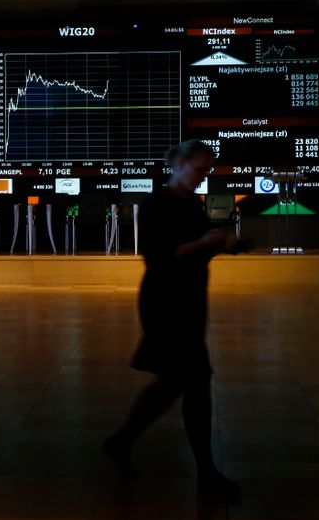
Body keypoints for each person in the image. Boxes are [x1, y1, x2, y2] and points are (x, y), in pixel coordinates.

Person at [103, 139, 242, 497]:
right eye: (199, 169)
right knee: (195, 381)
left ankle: (121, 440)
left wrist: (218, 244)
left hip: (188, 302)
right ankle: (206, 472)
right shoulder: (156, 204)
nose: (202, 176)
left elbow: (193, 251)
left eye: (207, 171)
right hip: (166, 304)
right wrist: (205, 242)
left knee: (172, 382)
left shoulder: (191, 203)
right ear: (178, 164)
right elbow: (158, 257)